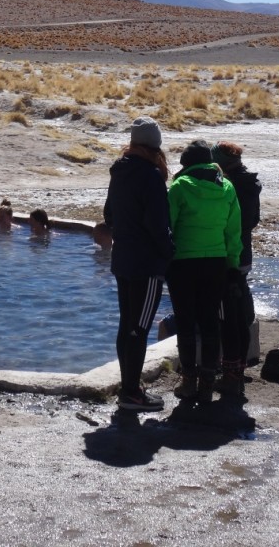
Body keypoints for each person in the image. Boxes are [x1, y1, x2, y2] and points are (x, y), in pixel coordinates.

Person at [103, 117, 174, 411]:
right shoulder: (150, 176)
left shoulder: (119, 173)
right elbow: (158, 225)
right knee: (139, 328)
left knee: (127, 325)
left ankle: (128, 388)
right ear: (155, 146)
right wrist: (169, 253)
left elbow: (109, 215)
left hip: (122, 258)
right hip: (146, 264)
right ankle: (132, 393)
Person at [166, 139, 243, 403]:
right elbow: (233, 232)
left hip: (183, 263)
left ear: (185, 164)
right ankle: (208, 382)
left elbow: (169, 228)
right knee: (210, 322)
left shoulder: (178, 188)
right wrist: (232, 265)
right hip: (217, 263)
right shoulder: (227, 187)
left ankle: (188, 382)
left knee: (186, 323)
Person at [211, 141, 263, 373]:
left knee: (228, 307)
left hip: (229, 252)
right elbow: (252, 221)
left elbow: (232, 221)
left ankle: (231, 363)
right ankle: (243, 358)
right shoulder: (250, 182)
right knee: (241, 298)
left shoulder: (229, 185)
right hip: (244, 251)